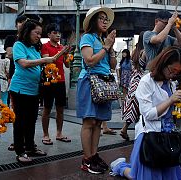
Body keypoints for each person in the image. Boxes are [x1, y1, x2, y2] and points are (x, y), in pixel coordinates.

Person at [109, 46, 181, 179]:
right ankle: (120, 167)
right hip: (150, 136)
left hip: (168, 135)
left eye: (178, 72)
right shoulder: (146, 82)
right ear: (163, 63)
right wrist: (170, 100)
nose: (174, 75)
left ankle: (126, 167)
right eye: (172, 70)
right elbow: (148, 114)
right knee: (143, 176)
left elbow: (172, 111)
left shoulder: (171, 84)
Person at [77, 6, 117, 174]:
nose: (105, 21)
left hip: (104, 82)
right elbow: (90, 61)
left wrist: (110, 48)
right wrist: (105, 47)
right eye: (101, 18)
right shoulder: (87, 37)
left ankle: (94, 156)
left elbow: (113, 65)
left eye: (106, 19)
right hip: (89, 81)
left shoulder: (103, 41)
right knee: (89, 121)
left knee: (99, 122)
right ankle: (86, 159)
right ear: (93, 21)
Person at [9, 19, 55, 163]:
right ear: (28, 31)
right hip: (20, 90)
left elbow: (37, 66)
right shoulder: (18, 45)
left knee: (31, 120)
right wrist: (43, 61)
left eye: (40, 34)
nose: (38, 36)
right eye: (36, 33)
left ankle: (30, 147)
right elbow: (23, 63)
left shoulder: (35, 48)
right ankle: (20, 151)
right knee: (20, 121)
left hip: (34, 90)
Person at [40, 23, 71, 144]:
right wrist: (62, 52)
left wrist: (66, 54)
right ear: (49, 35)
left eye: (59, 33)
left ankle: (59, 133)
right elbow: (49, 61)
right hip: (49, 81)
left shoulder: (61, 47)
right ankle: (45, 134)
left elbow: (67, 65)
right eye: (54, 32)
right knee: (47, 108)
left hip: (61, 80)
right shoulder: (45, 46)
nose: (58, 35)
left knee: (60, 109)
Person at [4, 15, 28, 151]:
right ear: (16, 25)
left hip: (30, 81)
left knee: (28, 115)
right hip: (14, 77)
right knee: (17, 113)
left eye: (25, 22)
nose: (22, 24)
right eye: (20, 22)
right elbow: (10, 54)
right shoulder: (11, 39)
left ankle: (27, 142)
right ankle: (17, 142)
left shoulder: (33, 42)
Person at [120, 31, 146, 141]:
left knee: (132, 105)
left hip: (134, 80)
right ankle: (139, 132)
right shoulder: (145, 51)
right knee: (142, 106)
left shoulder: (135, 51)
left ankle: (125, 128)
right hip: (142, 80)